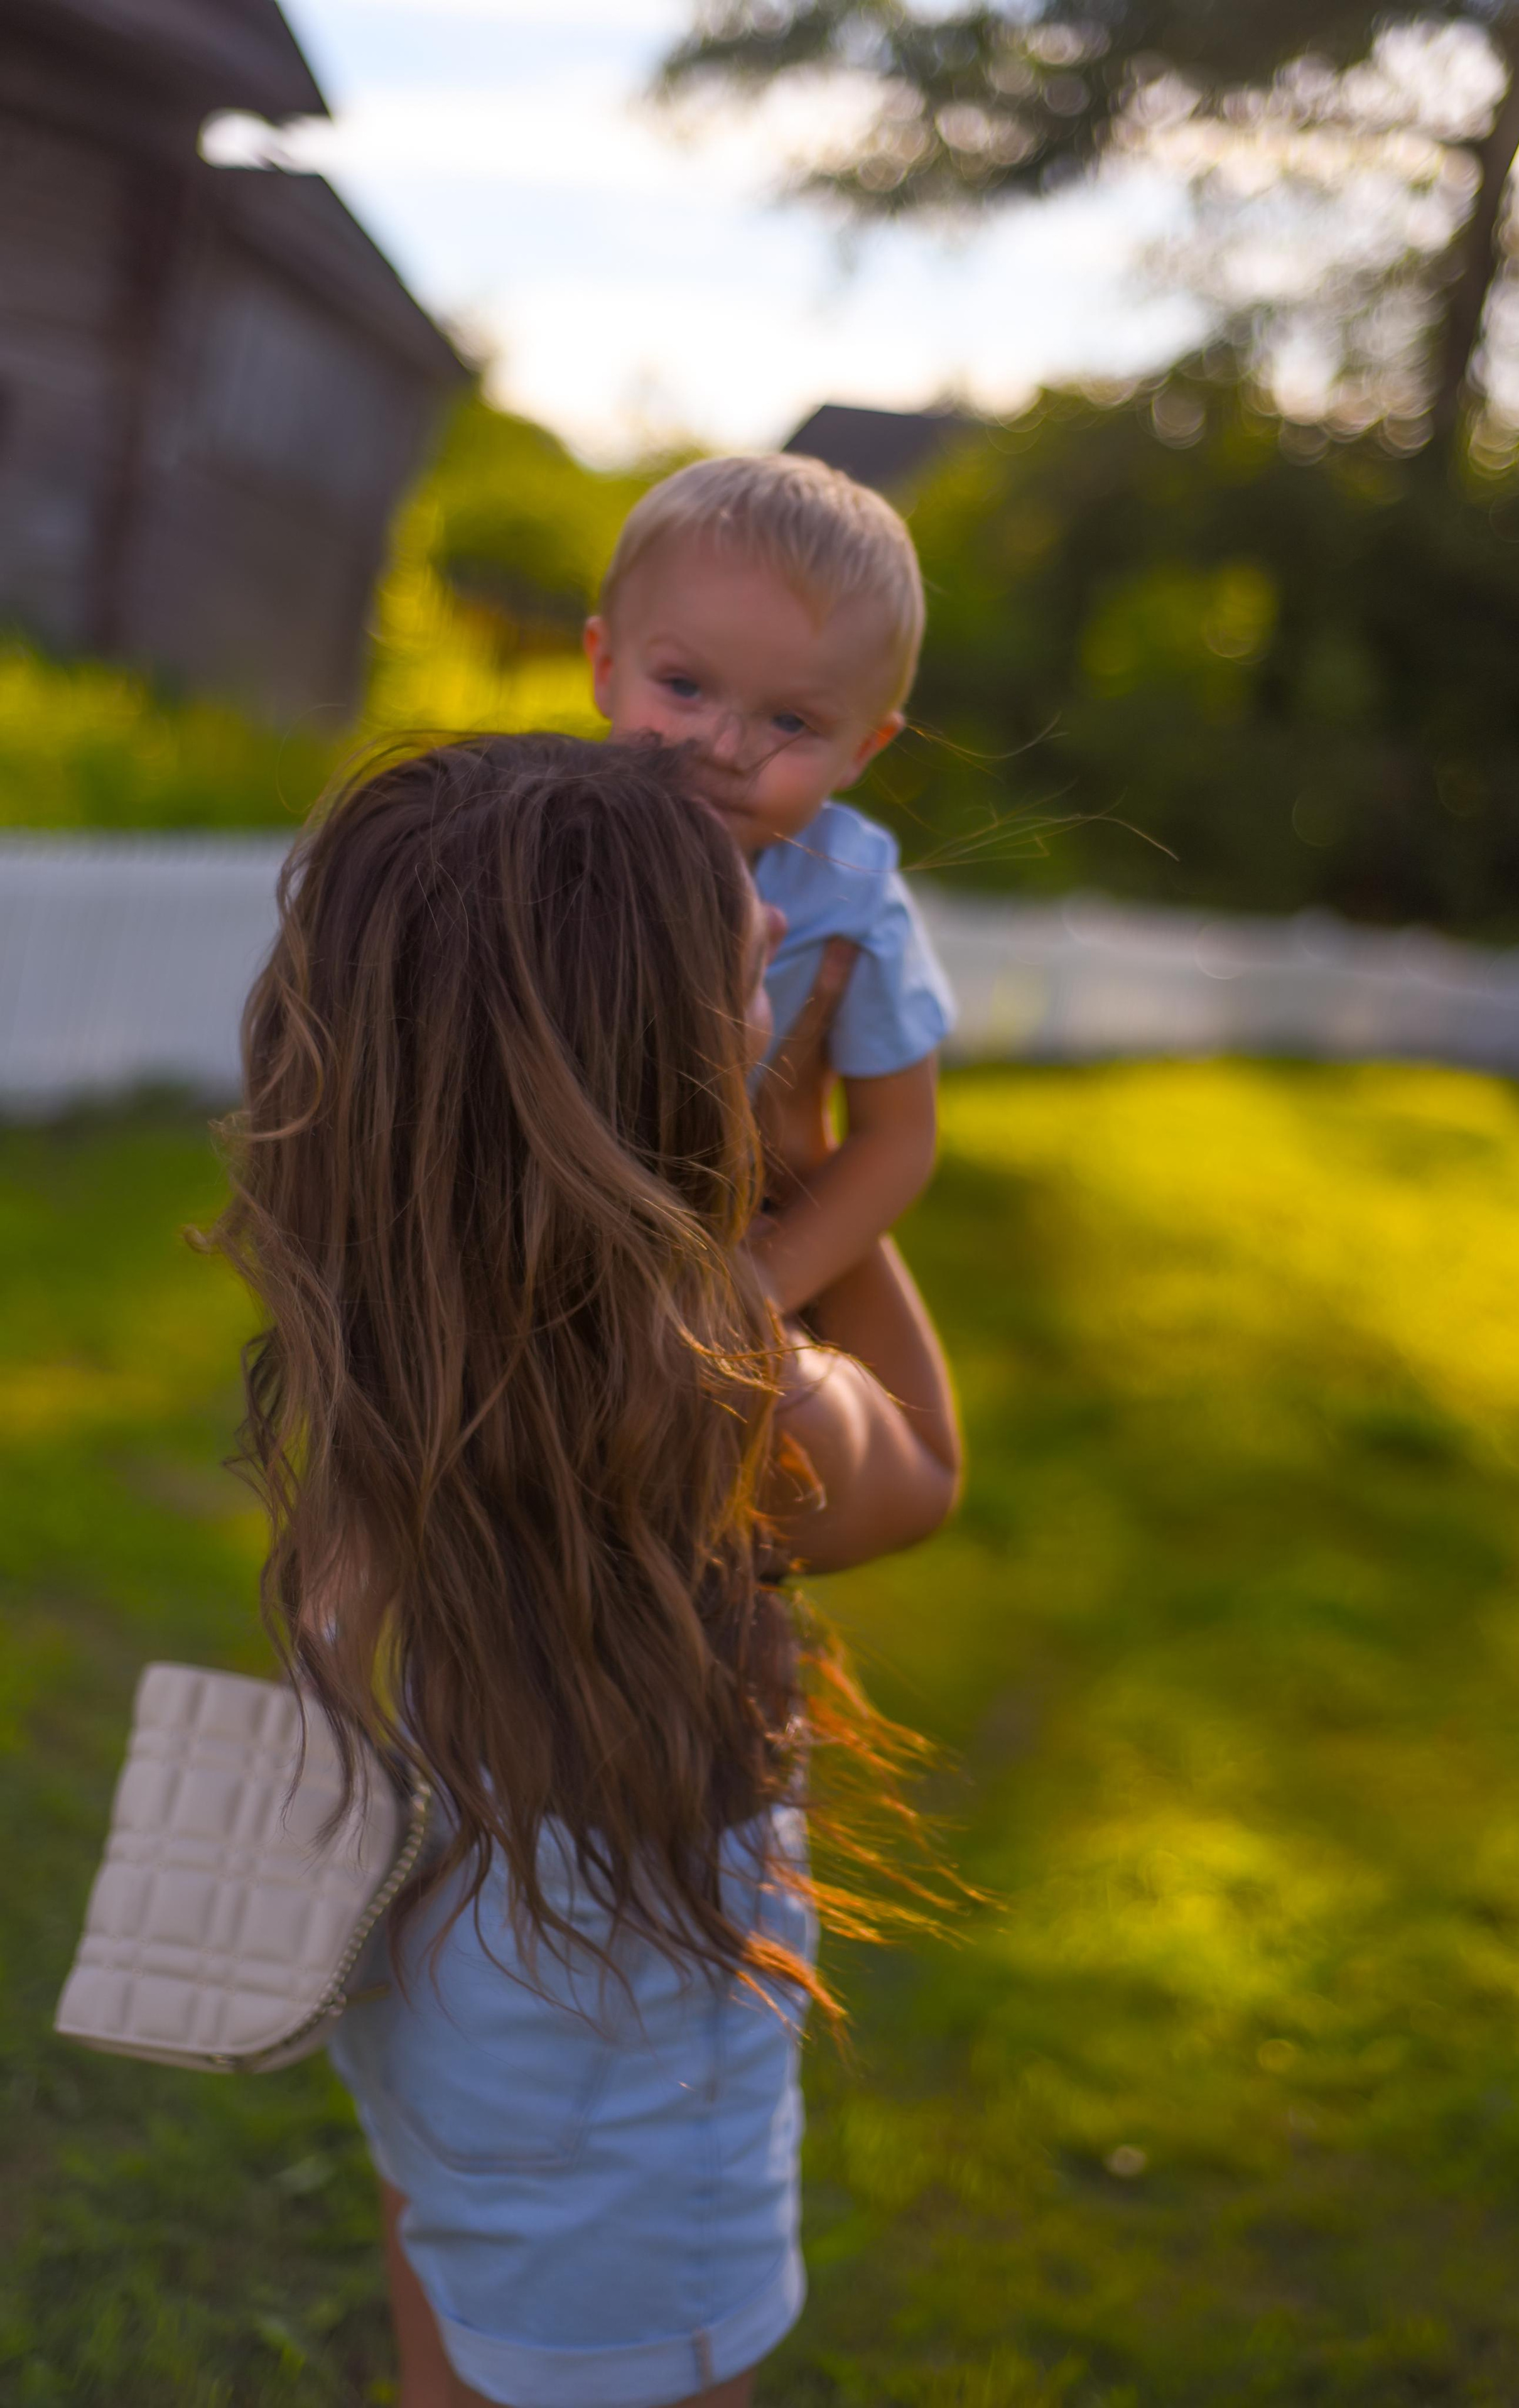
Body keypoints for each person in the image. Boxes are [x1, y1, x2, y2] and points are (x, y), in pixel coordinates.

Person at [212, 732, 961, 2408]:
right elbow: (919, 1471)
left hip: (427, 1952)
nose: (777, 931)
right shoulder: (718, 1381)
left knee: (459, 2321)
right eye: (744, 946)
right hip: (622, 2016)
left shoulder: (389, 1305)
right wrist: (813, 1163)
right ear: (681, 1060)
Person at [585, 452, 956, 1319]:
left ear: (862, 750)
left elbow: (899, 1137)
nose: (721, 743)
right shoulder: (534, 834)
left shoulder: (851, 899)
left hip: (725, 1244)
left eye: (791, 720)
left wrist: (763, 1285)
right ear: (607, 667)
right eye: (683, 686)